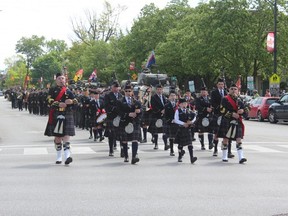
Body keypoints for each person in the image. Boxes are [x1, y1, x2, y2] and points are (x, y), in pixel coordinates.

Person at [44, 72, 78, 165]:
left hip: (67, 114)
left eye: (62, 78)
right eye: (59, 78)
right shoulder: (52, 90)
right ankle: (59, 156)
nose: (61, 80)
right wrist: (58, 103)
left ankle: (67, 156)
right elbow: (48, 100)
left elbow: (76, 100)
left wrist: (71, 101)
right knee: (58, 137)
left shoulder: (69, 90)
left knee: (66, 136)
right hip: (56, 113)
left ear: (65, 80)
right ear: (56, 80)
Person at [217, 84, 248, 164]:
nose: (233, 90)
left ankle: (241, 157)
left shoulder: (240, 100)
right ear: (229, 90)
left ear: (238, 91)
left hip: (237, 121)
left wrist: (243, 111)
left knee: (238, 139)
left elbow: (246, 109)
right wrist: (231, 114)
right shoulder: (225, 99)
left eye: (235, 89)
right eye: (232, 89)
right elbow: (221, 110)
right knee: (225, 139)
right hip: (227, 120)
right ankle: (224, 156)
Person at [117, 84, 142, 164]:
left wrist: (139, 112)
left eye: (129, 91)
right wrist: (128, 114)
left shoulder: (136, 101)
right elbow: (119, 112)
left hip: (134, 122)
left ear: (132, 92)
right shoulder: (120, 101)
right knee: (124, 141)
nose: (128, 92)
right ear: (124, 92)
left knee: (135, 140)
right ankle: (126, 156)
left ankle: (134, 157)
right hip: (125, 122)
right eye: (126, 91)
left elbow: (141, 111)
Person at [174, 98, 197, 164]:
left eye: (185, 103)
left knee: (190, 144)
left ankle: (191, 158)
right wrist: (183, 123)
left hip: (188, 129)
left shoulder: (189, 111)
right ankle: (180, 156)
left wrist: (191, 122)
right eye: (183, 103)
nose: (184, 105)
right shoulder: (178, 111)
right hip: (181, 129)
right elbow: (176, 120)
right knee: (180, 145)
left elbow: (194, 117)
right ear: (180, 104)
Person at [104, 81, 123, 156]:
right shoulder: (108, 95)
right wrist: (115, 108)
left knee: (122, 134)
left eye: (117, 87)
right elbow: (106, 106)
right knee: (111, 134)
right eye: (114, 87)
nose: (116, 89)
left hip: (120, 117)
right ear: (112, 87)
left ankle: (122, 150)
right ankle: (111, 149)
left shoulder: (121, 95)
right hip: (112, 117)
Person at [148, 84, 168, 150]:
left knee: (165, 131)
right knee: (156, 132)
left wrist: (166, 110)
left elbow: (166, 105)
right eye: (158, 89)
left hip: (164, 116)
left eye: (160, 89)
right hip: (156, 115)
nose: (159, 91)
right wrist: (160, 111)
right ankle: (156, 144)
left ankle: (166, 144)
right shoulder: (153, 97)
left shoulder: (164, 97)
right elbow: (153, 107)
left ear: (162, 90)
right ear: (156, 90)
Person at [164, 91, 178, 156]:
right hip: (171, 123)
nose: (173, 97)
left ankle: (180, 150)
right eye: (171, 96)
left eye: (174, 95)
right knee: (171, 138)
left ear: (176, 97)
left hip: (178, 123)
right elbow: (166, 115)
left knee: (179, 137)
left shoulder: (178, 105)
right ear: (169, 97)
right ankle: (172, 150)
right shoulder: (166, 105)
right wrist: (170, 120)